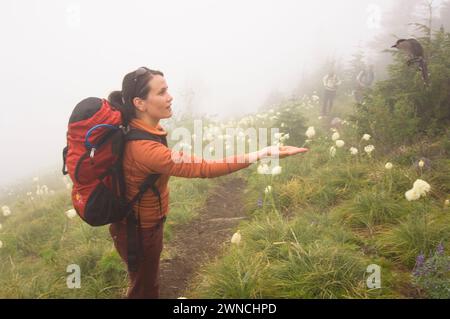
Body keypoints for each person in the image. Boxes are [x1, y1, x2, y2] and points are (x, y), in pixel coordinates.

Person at [107, 67, 308, 299]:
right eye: (161, 92)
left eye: (168, 90)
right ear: (139, 103)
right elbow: (204, 168)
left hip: (139, 226)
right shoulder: (145, 149)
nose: (170, 96)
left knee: (145, 282)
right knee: (145, 290)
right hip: (139, 231)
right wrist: (263, 152)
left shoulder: (143, 130)